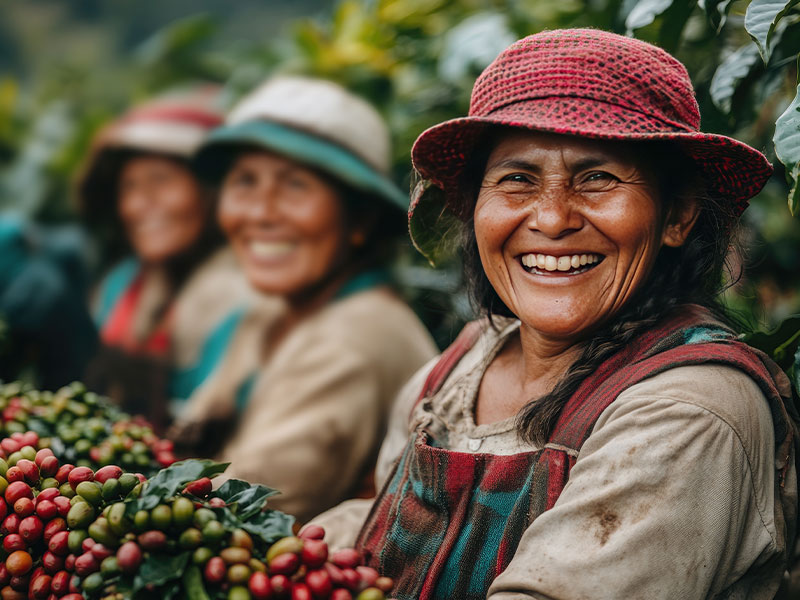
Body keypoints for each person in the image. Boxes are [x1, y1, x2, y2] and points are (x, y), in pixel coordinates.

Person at [310, 29, 800, 599]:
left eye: (598, 178)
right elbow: (375, 530)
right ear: (474, 210)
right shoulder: (459, 367)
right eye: (517, 179)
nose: (552, 218)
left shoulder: (689, 412)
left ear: (679, 216)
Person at [169, 76, 438, 522]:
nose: (260, 212)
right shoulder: (275, 310)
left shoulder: (353, 338)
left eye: (295, 185)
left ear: (360, 219)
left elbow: (235, 511)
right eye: (245, 181)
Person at [78, 86, 253, 430]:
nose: (139, 205)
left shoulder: (243, 297)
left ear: (210, 191)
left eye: (161, 181)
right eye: (129, 187)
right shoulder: (121, 283)